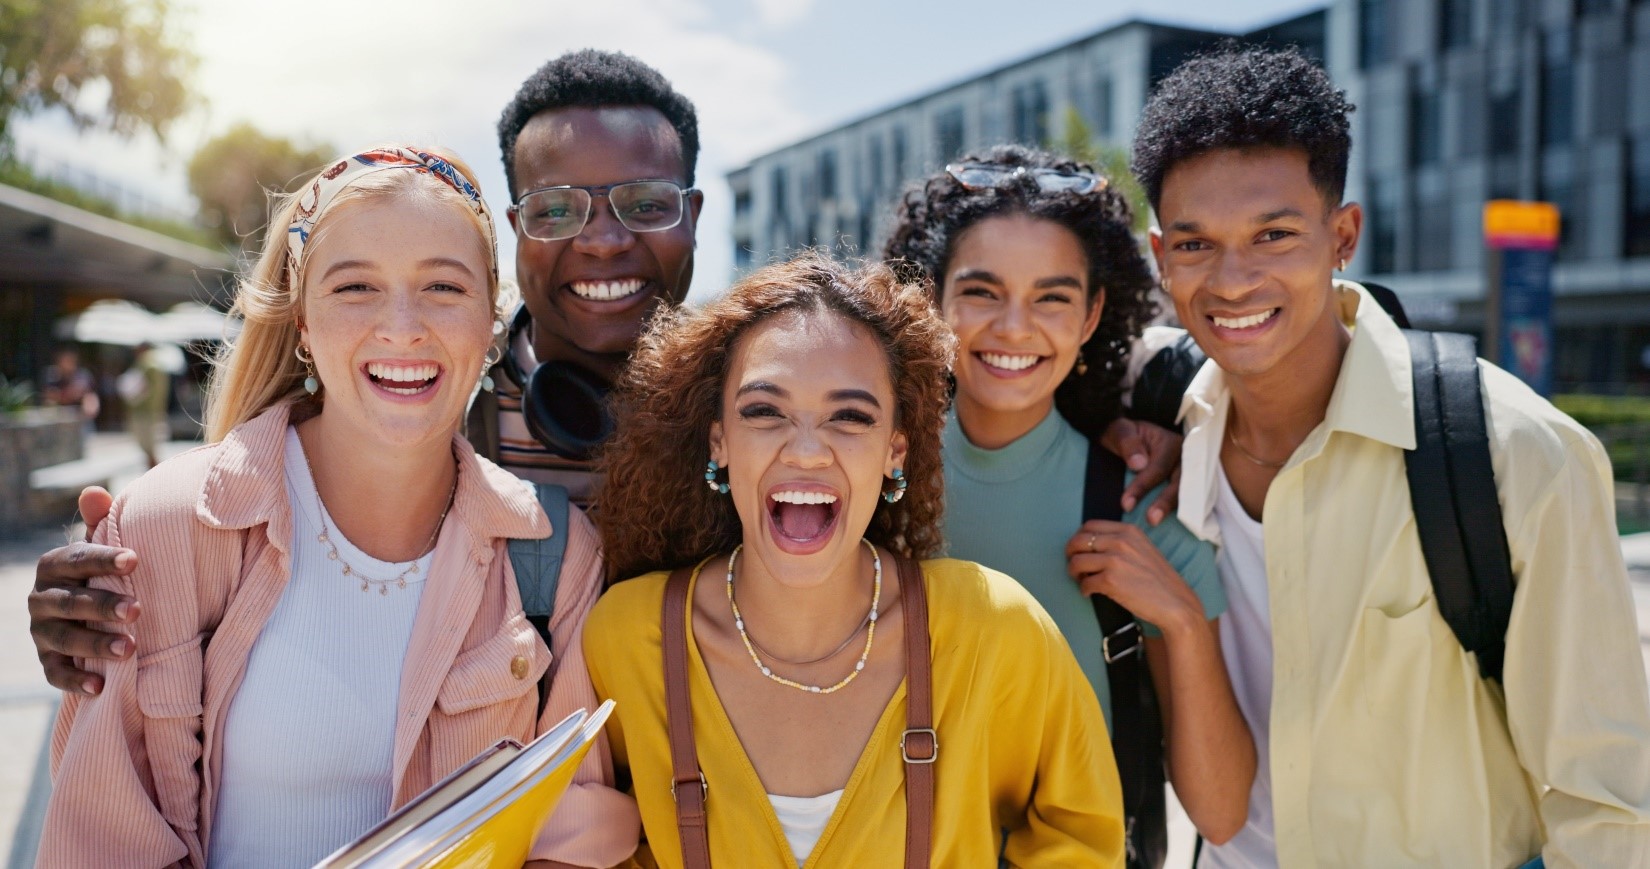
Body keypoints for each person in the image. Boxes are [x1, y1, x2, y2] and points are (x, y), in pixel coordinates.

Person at [27, 49, 1185, 710]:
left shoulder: (784, 396)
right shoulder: (421, 404)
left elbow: (999, 364)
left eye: (643, 204)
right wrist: (116, 602)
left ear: (693, 214)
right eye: (559, 209)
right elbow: (240, 540)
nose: (603, 241)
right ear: (511, 227)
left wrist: (1144, 409)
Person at [36, 146, 636, 868]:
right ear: (303, 328)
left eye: (444, 287)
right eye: (356, 287)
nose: (403, 326)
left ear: (489, 324)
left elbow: (569, 841)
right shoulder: (164, 528)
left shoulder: (555, 553)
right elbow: (101, 844)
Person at [1132, 46, 1650, 866]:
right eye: (1195, 246)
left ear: (1342, 236)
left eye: (1274, 234)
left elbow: (1607, 798)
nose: (1232, 280)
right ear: (1161, 261)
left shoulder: (1517, 452)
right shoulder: (1169, 419)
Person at [585, 255, 1125, 867]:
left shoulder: (993, 627)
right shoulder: (628, 637)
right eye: (765, 411)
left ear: (895, 450)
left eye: (850, 416)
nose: (808, 451)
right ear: (719, 440)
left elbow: (1084, 841)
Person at [882, 145, 1253, 850]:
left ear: (1091, 316)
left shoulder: (1139, 513)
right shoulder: (866, 489)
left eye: (1051, 297)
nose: (1015, 327)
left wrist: (1178, 615)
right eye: (983, 291)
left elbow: (1223, 811)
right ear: (933, 299)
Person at [121, 341, 172, 467]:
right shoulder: (158, 364)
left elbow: (140, 388)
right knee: (150, 448)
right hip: (154, 410)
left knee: (147, 447)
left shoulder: (146, 364)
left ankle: (155, 476)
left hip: (143, 411)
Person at [42, 347, 100, 427]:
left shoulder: (83, 376)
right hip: (59, 419)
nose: (67, 364)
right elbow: (50, 398)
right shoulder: (52, 376)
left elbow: (90, 397)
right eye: (64, 360)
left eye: (70, 360)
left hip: (80, 418)